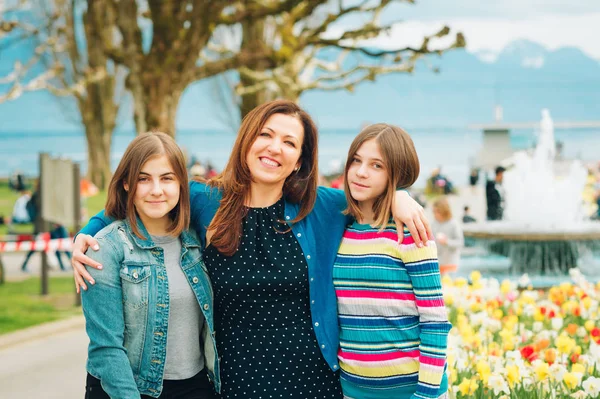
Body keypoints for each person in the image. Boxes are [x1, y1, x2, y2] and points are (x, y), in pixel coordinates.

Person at [71, 100, 431, 399]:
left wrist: (400, 196)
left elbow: (369, 197)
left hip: (314, 383)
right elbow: (136, 200)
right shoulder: (206, 200)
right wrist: (86, 234)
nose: (275, 147)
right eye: (266, 134)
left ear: (300, 161)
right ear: (247, 140)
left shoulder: (323, 207)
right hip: (235, 385)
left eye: (290, 143)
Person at [80, 132, 219, 399]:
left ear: (182, 184)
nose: (156, 190)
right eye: (143, 179)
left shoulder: (195, 244)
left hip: (197, 386)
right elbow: (106, 348)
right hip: (129, 389)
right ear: (126, 184)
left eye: (167, 178)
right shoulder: (105, 249)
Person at [333, 124, 451, 399]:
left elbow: (435, 320)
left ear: (396, 174)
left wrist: (426, 395)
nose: (361, 172)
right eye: (356, 161)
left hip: (412, 390)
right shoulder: (342, 227)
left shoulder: (409, 229)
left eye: (377, 166)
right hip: (352, 390)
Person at [432, 197, 464, 275]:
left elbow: (460, 242)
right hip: (437, 264)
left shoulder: (454, 224)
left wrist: (447, 241)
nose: (435, 214)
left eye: (437, 211)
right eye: (434, 212)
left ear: (444, 211)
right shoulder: (433, 224)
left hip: (451, 264)